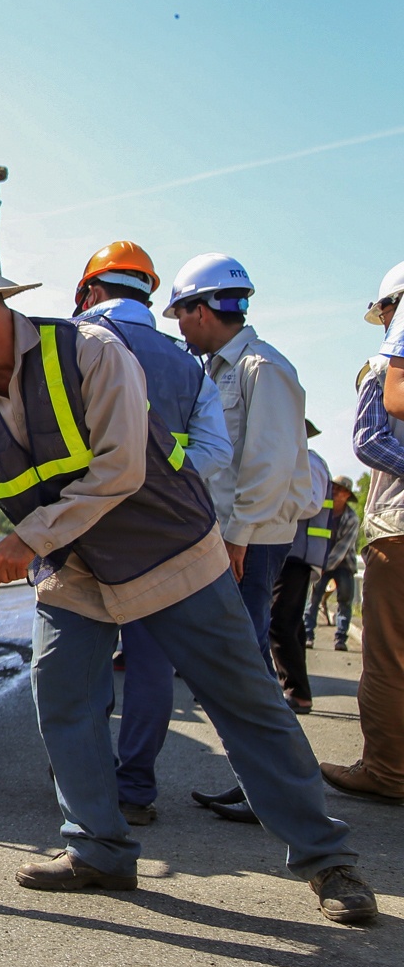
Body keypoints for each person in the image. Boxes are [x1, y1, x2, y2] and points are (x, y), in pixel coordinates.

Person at [0, 234, 374, 924]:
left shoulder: (92, 353)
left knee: (245, 703)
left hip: (169, 556)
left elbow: (121, 467)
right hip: (75, 572)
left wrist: (27, 539)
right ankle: (99, 847)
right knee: (64, 697)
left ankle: (328, 860)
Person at [71, 242, 231, 824]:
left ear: (91, 292)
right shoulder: (188, 364)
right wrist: (161, 474)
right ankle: (135, 789)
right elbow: (215, 452)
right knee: (150, 663)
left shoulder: (72, 344)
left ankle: (85, 783)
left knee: (80, 662)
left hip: (82, 527)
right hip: (160, 535)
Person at [160, 254, 318, 819]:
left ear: (202, 310)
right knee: (240, 665)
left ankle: (283, 791)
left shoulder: (262, 368)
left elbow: (267, 465)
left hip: (250, 540)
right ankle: (262, 782)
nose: (179, 327)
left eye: (181, 314)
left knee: (246, 669)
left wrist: (239, 538)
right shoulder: (219, 371)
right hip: (229, 536)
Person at [320, 259, 404, 803]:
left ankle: (387, 771)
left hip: (398, 529)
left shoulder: (380, 368)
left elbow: (370, 439)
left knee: (390, 657)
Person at [267, 425, 333, 712]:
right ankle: (297, 690)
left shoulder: (309, 461)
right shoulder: (300, 460)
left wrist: (272, 500)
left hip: (297, 554)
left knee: (279, 620)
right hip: (292, 551)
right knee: (291, 622)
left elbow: (311, 503)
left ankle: (296, 690)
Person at [304, 476, 360, 653]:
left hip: (343, 564)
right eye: (334, 488)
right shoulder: (321, 511)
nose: (336, 492)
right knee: (314, 598)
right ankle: (308, 635)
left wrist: (323, 565)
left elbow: (342, 548)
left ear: (347, 495)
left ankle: (340, 638)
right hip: (321, 561)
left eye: (341, 490)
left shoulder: (351, 518)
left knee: (345, 600)